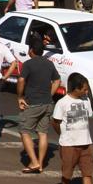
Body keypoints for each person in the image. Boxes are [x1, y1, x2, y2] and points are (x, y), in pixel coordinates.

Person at [53, 73, 93, 184]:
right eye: (84, 89)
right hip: (69, 144)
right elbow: (55, 122)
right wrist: (63, 135)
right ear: (76, 88)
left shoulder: (86, 100)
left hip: (86, 143)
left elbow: (88, 116)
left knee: (87, 174)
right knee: (67, 174)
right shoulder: (62, 103)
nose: (86, 92)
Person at [18, 36, 61, 173]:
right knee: (42, 133)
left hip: (34, 103)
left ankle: (35, 162)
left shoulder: (28, 64)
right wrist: (50, 94)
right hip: (48, 103)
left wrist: (20, 97)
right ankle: (40, 164)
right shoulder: (49, 63)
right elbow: (57, 81)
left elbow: (21, 80)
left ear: (31, 50)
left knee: (24, 131)